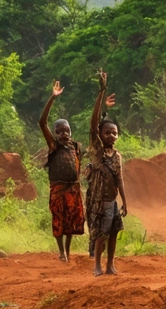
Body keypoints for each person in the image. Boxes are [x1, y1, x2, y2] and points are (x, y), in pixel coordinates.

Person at [85, 71, 127, 277]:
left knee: (113, 234)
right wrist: (101, 92)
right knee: (101, 234)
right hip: (99, 201)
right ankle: (98, 266)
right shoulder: (97, 152)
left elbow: (120, 180)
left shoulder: (117, 156)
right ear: (100, 135)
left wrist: (125, 202)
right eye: (107, 132)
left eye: (114, 133)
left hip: (112, 201)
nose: (111, 135)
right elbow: (93, 124)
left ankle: (111, 265)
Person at [39, 80, 85, 262]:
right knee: (58, 219)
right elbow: (42, 122)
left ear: (71, 132)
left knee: (71, 220)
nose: (63, 134)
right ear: (56, 133)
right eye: (59, 131)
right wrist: (52, 97)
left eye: (66, 130)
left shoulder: (76, 146)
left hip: (73, 188)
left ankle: (68, 250)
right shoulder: (54, 146)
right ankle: (61, 252)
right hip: (58, 188)